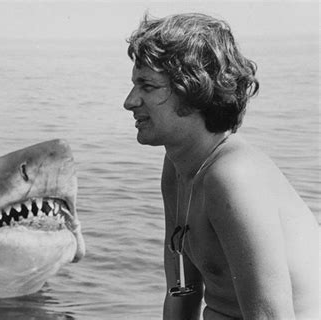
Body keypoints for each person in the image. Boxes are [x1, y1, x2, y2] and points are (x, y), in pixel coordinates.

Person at [123, 13, 319, 320]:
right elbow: (182, 292)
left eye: (146, 86)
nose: (130, 101)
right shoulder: (178, 167)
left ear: (192, 90)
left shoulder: (232, 177)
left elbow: (272, 317)